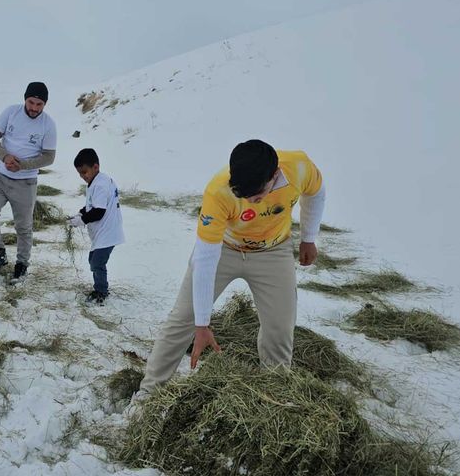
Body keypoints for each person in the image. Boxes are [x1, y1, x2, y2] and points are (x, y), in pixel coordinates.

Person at [133, 139, 326, 402]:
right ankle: (148, 393)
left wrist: (308, 237)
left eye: (256, 196)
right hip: (225, 249)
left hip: (273, 251)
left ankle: (274, 396)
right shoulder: (218, 192)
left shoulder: (299, 167)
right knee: (183, 319)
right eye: (244, 197)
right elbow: (205, 259)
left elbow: (316, 191)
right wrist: (201, 324)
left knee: (280, 328)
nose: (251, 202)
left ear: (275, 175)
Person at [0, 82, 57, 283]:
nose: (34, 108)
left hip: (26, 182)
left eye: (39, 104)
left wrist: (22, 165)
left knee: (23, 227)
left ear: (45, 104)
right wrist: (4, 156)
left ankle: (22, 265)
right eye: (31, 102)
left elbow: (49, 157)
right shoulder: (11, 112)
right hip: (0, 177)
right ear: (25, 99)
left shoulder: (48, 125)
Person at [67, 148, 124, 305]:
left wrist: (82, 220)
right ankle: (100, 288)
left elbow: (98, 211)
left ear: (95, 167)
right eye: (80, 174)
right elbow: (92, 205)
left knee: (96, 263)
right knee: (94, 260)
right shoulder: (98, 181)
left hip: (108, 232)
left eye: (85, 172)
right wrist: (80, 213)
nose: (83, 176)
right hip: (106, 231)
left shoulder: (99, 185)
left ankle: (101, 292)